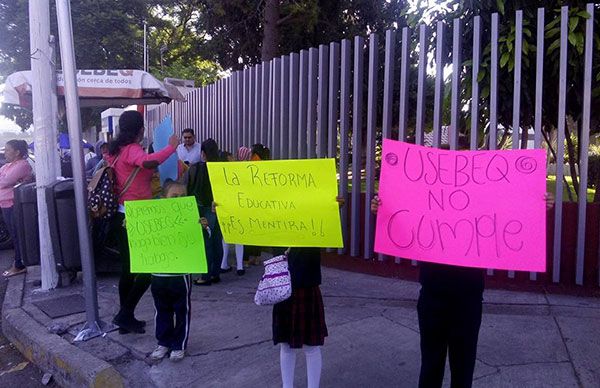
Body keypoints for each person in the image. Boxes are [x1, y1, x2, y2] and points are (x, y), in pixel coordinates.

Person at [371, 189, 555, 388]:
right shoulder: (429, 186)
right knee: (431, 366)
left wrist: (538, 205)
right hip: (432, 295)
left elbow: (508, 207)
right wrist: (382, 207)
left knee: (463, 368)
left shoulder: (482, 188)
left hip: (469, 298)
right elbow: (405, 209)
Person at [107, 111, 178, 334]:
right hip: (137, 215)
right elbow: (149, 162)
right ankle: (125, 314)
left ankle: (124, 318)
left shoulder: (115, 150)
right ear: (140, 129)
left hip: (121, 214)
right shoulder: (131, 149)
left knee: (129, 269)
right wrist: (171, 147)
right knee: (151, 267)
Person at [149, 180, 208, 362]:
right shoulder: (153, 217)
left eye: (183, 196)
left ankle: (178, 345)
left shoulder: (193, 216)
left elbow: (204, 240)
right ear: (163, 198)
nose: (178, 200)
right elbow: (142, 239)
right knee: (161, 310)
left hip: (180, 275)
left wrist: (204, 228)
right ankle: (163, 342)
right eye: (174, 196)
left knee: (182, 310)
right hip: (158, 275)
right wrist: (132, 226)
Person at [185, 138, 223, 286]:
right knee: (217, 242)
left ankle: (205, 276)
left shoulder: (196, 168)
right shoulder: (221, 169)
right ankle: (215, 274)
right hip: (218, 208)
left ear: (203, 153)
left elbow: (188, 187)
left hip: (202, 208)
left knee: (206, 243)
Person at [0, 140, 33, 277]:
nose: (5, 153)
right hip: (5, 204)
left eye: (8, 150)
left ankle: (19, 264)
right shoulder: (7, 166)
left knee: (17, 235)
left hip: (13, 204)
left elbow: (5, 181)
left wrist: (5, 182)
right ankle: (18, 263)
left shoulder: (22, 165)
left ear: (17, 152)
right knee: (14, 235)